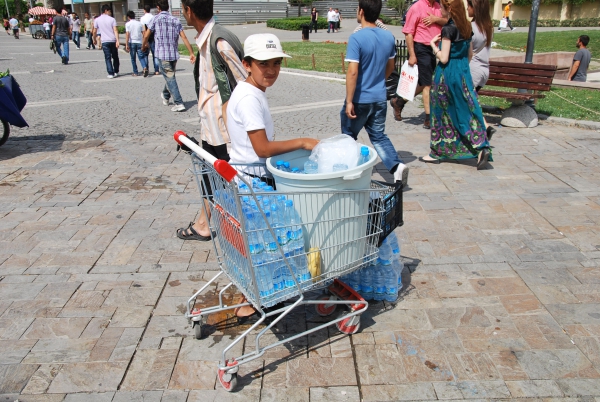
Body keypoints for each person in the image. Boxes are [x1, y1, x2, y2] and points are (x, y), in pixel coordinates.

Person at [227, 33, 319, 317]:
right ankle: (258, 294)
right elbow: (263, 148)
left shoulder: (249, 92)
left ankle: (252, 294)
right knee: (277, 239)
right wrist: (303, 142)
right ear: (247, 64)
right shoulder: (249, 99)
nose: (271, 70)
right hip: (253, 181)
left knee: (261, 245)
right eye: (263, 63)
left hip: (249, 177)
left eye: (276, 63)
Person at [176, 0, 246, 242]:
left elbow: (245, 82)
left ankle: (245, 229)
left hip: (225, 130)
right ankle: (204, 224)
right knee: (209, 175)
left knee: (234, 180)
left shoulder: (219, 41)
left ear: (188, 10)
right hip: (211, 127)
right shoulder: (206, 40)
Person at [341, 0, 409, 187]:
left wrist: (349, 101)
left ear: (361, 11)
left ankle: (350, 173)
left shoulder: (357, 38)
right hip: (379, 97)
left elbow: (352, 71)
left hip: (360, 98)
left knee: (348, 135)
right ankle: (396, 167)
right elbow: (390, 67)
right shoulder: (388, 37)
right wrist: (378, 80)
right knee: (378, 135)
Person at [422, 0, 491, 170]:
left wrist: (433, 46)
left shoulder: (448, 29)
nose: (440, 11)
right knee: (466, 109)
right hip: (463, 72)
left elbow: (444, 58)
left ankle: (438, 151)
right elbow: (469, 54)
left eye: (442, 8)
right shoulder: (467, 26)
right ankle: (481, 145)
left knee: (441, 113)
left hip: (447, 74)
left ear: (449, 9)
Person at [392, 0, 447, 128]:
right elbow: (408, 32)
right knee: (428, 84)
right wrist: (412, 54)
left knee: (423, 83)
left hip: (434, 48)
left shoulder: (439, 6)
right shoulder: (416, 7)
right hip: (421, 47)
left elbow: (447, 21)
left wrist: (435, 19)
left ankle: (399, 102)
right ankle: (428, 118)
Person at [143, 0, 195, 112]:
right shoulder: (175, 20)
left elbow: (147, 34)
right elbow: (184, 37)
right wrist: (191, 52)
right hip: (173, 54)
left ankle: (179, 102)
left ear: (158, 8)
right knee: (170, 76)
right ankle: (165, 96)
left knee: (170, 78)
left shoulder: (155, 19)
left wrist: (144, 45)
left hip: (162, 54)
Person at [468, 0, 495, 139]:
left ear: (476, 8)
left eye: (469, 6)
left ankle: (485, 127)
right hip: (484, 70)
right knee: (471, 100)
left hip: (474, 69)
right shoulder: (489, 26)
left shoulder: (471, 27)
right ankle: (481, 128)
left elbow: (469, 52)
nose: (467, 8)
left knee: (468, 102)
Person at [93, 5, 120, 79]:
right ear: (106, 10)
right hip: (113, 40)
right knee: (115, 57)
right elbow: (115, 30)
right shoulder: (112, 19)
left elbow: (94, 31)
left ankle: (110, 73)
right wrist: (117, 40)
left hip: (104, 41)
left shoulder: (97, 20)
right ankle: (116, 71)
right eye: (110, 11)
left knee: (107, 57)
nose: (110, 12)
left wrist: (94, 39)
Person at [126, 11, 148, 77]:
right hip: (139, 42)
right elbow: (144, 33)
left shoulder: (128, 24)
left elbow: (127, 34)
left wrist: (126, 44)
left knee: (133, 58)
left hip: (132, 42)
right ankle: (144, 67)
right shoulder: (140, 23)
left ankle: (135, 72)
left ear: (128, 17)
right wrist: (145, 42)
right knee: (141, 57)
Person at [140, 5, 160, 75]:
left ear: (144, 10)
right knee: (155, 54)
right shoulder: (153, 17)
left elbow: (144, 30)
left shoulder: (142, 18)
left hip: (147, 37)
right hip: (154, 37)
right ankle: (157, 70)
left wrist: (144, 40)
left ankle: (146, 69)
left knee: (145, 54)